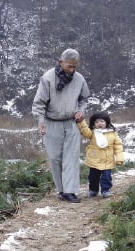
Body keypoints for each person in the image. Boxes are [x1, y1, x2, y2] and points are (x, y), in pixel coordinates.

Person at [32, 48, 90, 203]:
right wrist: (41, 121)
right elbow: (39, 103)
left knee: (71, 158)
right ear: (60, 62)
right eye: (69, 66)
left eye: (74, 67)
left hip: (72, 123)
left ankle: (71, 191)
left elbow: (84, 98)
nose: (72, 70)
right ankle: (62, 190)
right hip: (52, 122)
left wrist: (80, 111)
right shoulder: (48, 78)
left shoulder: (79, 79)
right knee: (55, 158)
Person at [76, 111, 124, 198]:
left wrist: (119, 158)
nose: (99, 123)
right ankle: (93, 190)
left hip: (107, 160)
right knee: (93, 177)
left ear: (107, 122)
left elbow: (118, 146)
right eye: (96, 122)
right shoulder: (93, 133)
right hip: (94, 159)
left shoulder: (112, 133)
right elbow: (85, 132)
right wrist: (81, 121)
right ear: (94, 124)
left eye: (102, 121)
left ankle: (106, 190)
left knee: (106, 177)